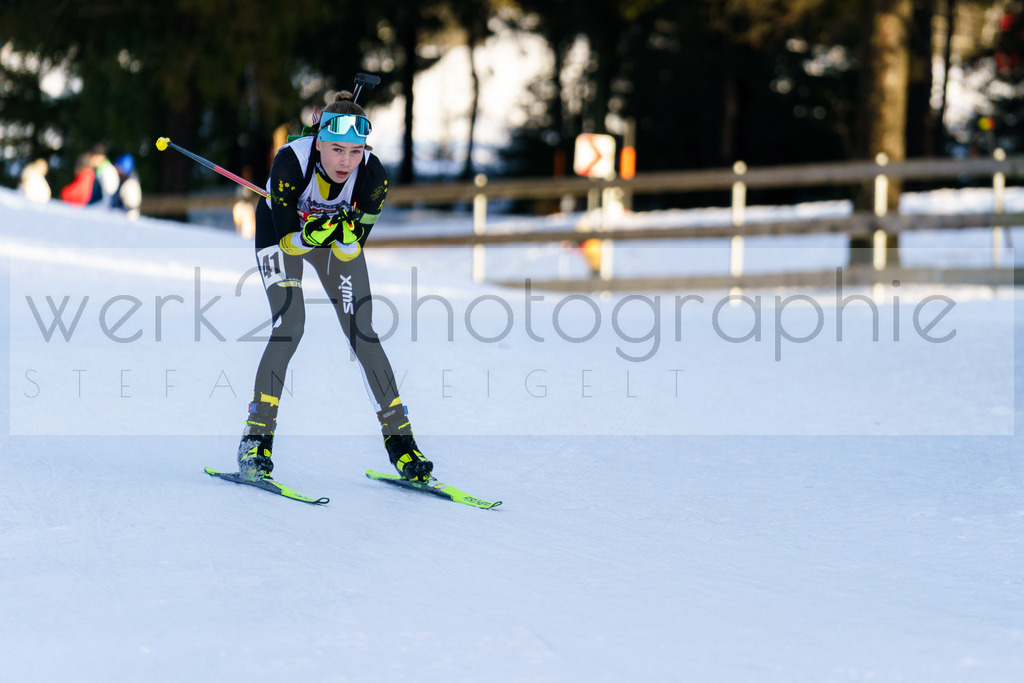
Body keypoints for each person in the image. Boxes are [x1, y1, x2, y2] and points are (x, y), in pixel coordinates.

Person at [237, 91, 434, 483]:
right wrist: (314, 233)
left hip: (327, 240)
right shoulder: (291, 162)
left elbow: (351, 249)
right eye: (337, 149)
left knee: (363, 330)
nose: (346, 161)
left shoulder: (373, 177)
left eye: (356, 151)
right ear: (319, 142)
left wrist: (344, 237)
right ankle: (255, 440)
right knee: (291, 324)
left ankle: (401, 443)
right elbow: (289, 241)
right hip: (281, 235)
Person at [111, 153, 142, 219]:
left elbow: (131, 212)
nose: (117, 171)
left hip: (124, 221)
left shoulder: (130, 185)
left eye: (118, 168)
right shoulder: (122, 182)